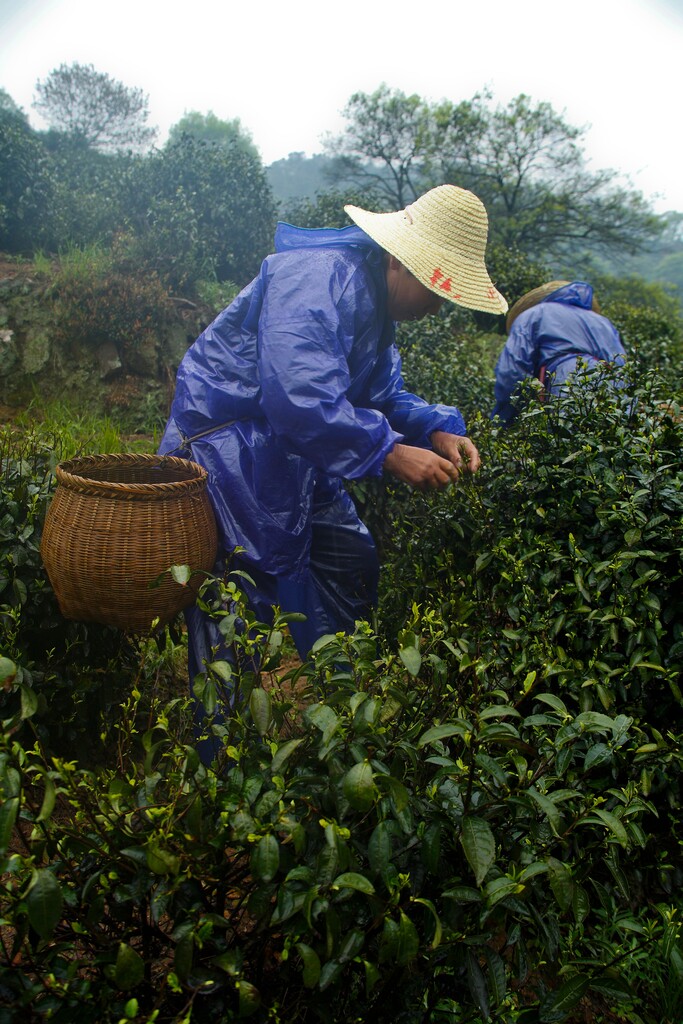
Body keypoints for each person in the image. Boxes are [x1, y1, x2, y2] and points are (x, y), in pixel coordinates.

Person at [159, 184, 507, 754]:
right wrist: (390, 453)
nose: (439, 306)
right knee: (241, 597)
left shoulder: (376, 301)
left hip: (299, 449)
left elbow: (381, 393)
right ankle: (218, 764)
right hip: (234, 442)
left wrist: (435, 426)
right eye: (437, 287)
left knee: (349, 557)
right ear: (400, 260)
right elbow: (297, 394)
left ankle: (341, 708)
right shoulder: (319, 275)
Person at [491, 280, 626, 425]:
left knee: (569, 439)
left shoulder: (533, 314)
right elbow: (621, 368)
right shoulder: (603, 322)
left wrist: (502, 422)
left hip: (567, 381)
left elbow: (511, 372)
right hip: (611, 389)